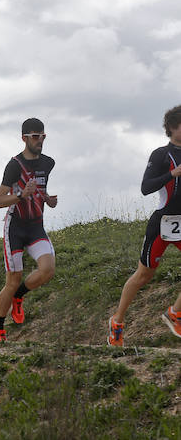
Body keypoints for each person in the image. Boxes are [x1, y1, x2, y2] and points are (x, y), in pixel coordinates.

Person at [109, 106, 181, 346]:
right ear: (172, 128)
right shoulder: (161, 154)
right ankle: (117, 322)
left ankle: (174, 313)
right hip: (162, 223)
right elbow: (145, 187)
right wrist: (173, 174)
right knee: (143, 275)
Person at [0, 119, 57, 342]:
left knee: (47, 269)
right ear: (24, 138)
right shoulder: (15, 165)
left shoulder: (49, 163)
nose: (40, 141)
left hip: (36, 226)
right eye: (35, 136)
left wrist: (48, 199)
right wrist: (21, 196)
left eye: (43, 136)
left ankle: (19, 297)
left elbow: (40, 188)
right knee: (12, 279)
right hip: (15, 227)